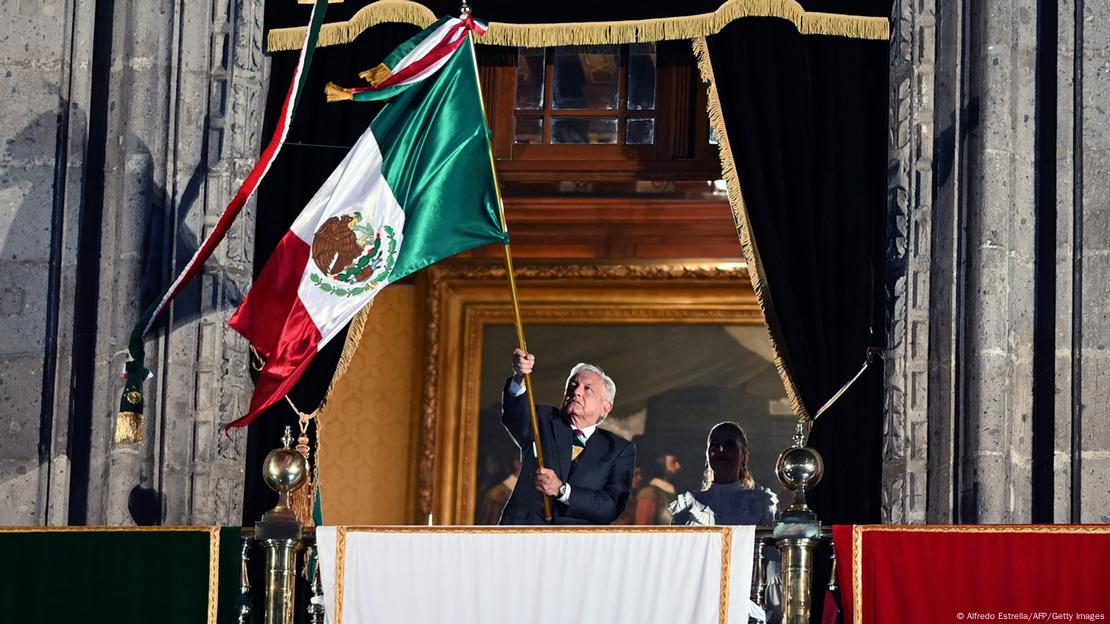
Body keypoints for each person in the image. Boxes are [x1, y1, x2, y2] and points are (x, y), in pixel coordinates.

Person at [498, 348, 636, 525]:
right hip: (524, 535)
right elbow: (514, 416)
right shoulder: (543, 419)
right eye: (572, 386)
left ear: (605, 407)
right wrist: (519, 377)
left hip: (576, 544)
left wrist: (562, 490)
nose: (576, 392)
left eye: (587, 389)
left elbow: (610, 506)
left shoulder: (619, 449)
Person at [670, 421, 780, 622]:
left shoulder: (760, 502)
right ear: (707, 454)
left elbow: (771, 560)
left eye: (730, 445)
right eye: (715, 445)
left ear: (744, 456)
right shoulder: (687, 506)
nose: (721, 450)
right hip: (698, 601)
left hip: (748, 601)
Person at [634, 449, 683, 525]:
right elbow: (643, 528)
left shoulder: (675, 493)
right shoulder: (648, 493)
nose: (678, 466)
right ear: (661, 464)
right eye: (673, 462)